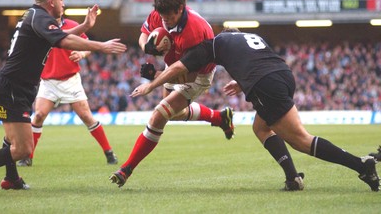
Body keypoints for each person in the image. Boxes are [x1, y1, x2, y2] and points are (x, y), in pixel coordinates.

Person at [121, 29, 380, 192]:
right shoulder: (248, 37)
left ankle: (360, 164)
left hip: (264, 84)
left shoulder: (213, 44)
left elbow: (180, 70)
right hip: (283, 74)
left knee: (301, 139)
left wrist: (152, 82)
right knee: (261, 127)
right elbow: (250, 59)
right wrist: (240, 78)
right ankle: (293, 178)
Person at [0, 0, 127, 190]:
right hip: (14, 89)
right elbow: (63, 41)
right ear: (51, 1)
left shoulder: (35, 16)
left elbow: (59, 36)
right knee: (23, 149)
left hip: (12, 86)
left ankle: (11, 178)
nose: (63, 3)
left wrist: (85, 27)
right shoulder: (40, 17)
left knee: (10, 139)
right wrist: (101, 46)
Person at [17, 16, 118, 167]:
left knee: (86, 116)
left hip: (70, 80)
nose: (61, 6)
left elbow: (87, 46)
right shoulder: (40, 26)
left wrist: (81, 54)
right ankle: (28, 157)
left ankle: (109, 152)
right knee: (38, 116)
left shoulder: (72, 25)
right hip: (48, 81)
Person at [138, 0, 234, 139]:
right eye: (164, 18)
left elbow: (189, 77)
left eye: (170, 18)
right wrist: (147, 48)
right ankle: (219, 118)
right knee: (173, 114)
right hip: (174, 61)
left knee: (163, 113)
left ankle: (128, 164)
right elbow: (143, 35)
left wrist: (156, 75)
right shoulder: (159, 14)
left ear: (180, 9)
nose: (166, 21)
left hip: (199, 72)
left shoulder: (192, 32)